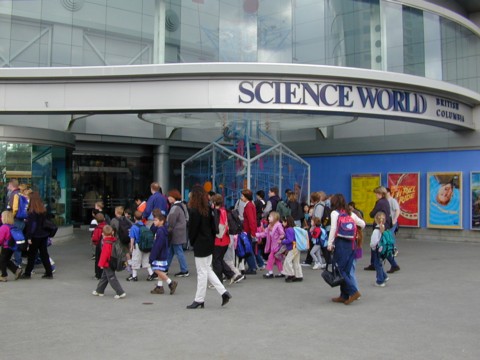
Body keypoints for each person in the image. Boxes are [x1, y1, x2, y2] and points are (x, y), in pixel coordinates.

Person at [186, 186, 231, 309]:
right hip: (209, 242)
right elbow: (213, 228)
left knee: (202, 272)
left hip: (200, 243)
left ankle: (199, 299)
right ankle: (223, 292)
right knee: (207, 269)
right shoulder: (208, 209)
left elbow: (192, 229)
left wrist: (192, 241)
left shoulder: (194, 211)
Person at [327, 193, 366, 305]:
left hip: (341, 244)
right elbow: (362, 224)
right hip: (352, 244)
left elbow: (334, 228)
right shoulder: (350, 213)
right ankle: (344, 295)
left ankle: (353, 292)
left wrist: (330, 244)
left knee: (340, 270)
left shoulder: (335, 213)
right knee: (346, 270)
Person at [21, 191, 54, 279]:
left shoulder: (32, 212)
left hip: (35, 235)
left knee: (31, 255)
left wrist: (29, 236)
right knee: (44, 254)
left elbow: (33, 225)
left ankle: (27, 273)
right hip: (43, 234)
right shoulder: (42, 210)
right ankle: (49, 272)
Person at [92, 225, 126, 299]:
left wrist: (101, 264)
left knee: (111, 278)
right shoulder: (113, 240)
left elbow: (104, 255)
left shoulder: (106, 243)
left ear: (103, 234)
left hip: (108, 263)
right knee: (104, 277)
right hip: (112, 261)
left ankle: (120, 292)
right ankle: (99, 290)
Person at [364, 186, 392, 271]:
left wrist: (371, 213)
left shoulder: (380, 202)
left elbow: (373, 213)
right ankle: (374, 263)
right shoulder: (386, 201)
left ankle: (391, 264)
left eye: (377, 193)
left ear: (381, 194)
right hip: (385, 224)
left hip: (380, 225)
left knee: (377, 245)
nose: (376, 195)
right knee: (381, 245)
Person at [149, 213, 178, 295]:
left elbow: (158, 245)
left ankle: (170, 282)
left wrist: (153, 256)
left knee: (156, 269)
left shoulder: (160, 231)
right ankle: (159, 286)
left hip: (159, 254)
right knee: (160, 269)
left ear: (161, 221)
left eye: (156, 220)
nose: (154, 222)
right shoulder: (163, 230)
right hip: (163, 252)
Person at [211, 194, 236, 283]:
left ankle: (218, 281)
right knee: (219, 259)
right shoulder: (224, 211)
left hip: (219, 240)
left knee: (216, 261)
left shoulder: (217, 212)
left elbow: (220, 227)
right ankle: (231, 274)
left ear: (214, 202)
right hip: (225, 239)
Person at [166, 189, 189, 277]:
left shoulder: (174, 207)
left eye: (169, 196)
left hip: (175, 233)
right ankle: (165, 268)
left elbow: (171, 221)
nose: (168, 198)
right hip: (180, 231)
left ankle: (184, 270)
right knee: (171, 251)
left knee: (178, 251)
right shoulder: (183, 205)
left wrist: (167, 228)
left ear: (173, 197)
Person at [127, 210, 156, 281]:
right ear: (142, 217)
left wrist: (131, 247)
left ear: (134, 218)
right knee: (146, 260)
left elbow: (132, 238)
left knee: (135, 260)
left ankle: (134, 276)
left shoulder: (134, 227)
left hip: (137, 245)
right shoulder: (144, 225)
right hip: (146, 245)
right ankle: (151, 274)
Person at [256, 211, 284, 279]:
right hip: (272, 246)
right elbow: (265, 234)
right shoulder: (269, 226)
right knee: (277, 260)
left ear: (275, 217)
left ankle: (270, 272)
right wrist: (256, 235)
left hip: (277, 246)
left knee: (270, 258)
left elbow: (282, 233)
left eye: (270, 216)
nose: (268, 218)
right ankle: (282, 272)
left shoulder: (278, 225)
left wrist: (280, 239)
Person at [241, 189, 261, 274]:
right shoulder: (250, 204)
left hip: (248, 230)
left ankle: (252, 267)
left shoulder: (248, 206)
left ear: (246, 197)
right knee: (248, 249)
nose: (241, 197)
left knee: (248, 249)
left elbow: (251, 220)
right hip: (249, 230)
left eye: (242, 196)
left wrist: (253, 232)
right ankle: (252, 267)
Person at [0, 210, 23, 281]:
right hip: (12, 247)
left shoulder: (3, 227)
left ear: (4, 218)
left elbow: (0, 238)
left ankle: (4, 276)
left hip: (6, 246)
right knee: (6, 260)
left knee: (2, 261)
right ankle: (16, 270)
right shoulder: (12, 226)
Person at [281, 216, 304, 282]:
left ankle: (291, 274)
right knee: (296, 262)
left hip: (293, 248)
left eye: (283, 221)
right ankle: (299, 275)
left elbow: (290, 240)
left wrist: (282, 241)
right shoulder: (293, 228)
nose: (282, 223)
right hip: (297, 246)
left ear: (286, 222)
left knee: (287, 261)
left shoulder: (288, 229)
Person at [370, 211, 389, 287]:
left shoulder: (375, 231)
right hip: (382, 249)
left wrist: (372, 246)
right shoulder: (383, 228)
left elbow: (374, 242)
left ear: (375, 220)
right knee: (379, 263)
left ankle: (380, 281)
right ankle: (384, 276)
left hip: (376, 250)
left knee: (377, 264)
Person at [91, 212, 107, 280]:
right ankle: (105, 273)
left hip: (99, 246)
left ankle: (98, 274)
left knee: (98, 260)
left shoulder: (97, 228)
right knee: (105, 259)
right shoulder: (106, 226)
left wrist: (95, 243)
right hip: (106, 245)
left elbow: (95, 239)